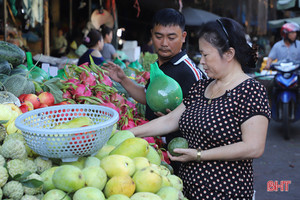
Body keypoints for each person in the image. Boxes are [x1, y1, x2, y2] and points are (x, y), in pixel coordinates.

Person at [129, 17, 271, 200]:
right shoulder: (202, 87)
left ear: (228, 54)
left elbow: (254, 147)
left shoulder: (251, 90)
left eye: (206, 55)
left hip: (226, 192)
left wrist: (199, 155)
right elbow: (171, 120)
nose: (201, 61)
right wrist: (127, 133)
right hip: (186, 188)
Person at [103, 8, 204, 175]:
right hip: (155, 150)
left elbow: (203, 118)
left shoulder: (189, 72)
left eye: (171, 37)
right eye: (159, 36)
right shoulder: (159, 66)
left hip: (180, 158)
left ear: (183, 37)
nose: (164, 43)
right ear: (152, 35)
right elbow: (147, 97)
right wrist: (123, 79)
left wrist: (178, 120)